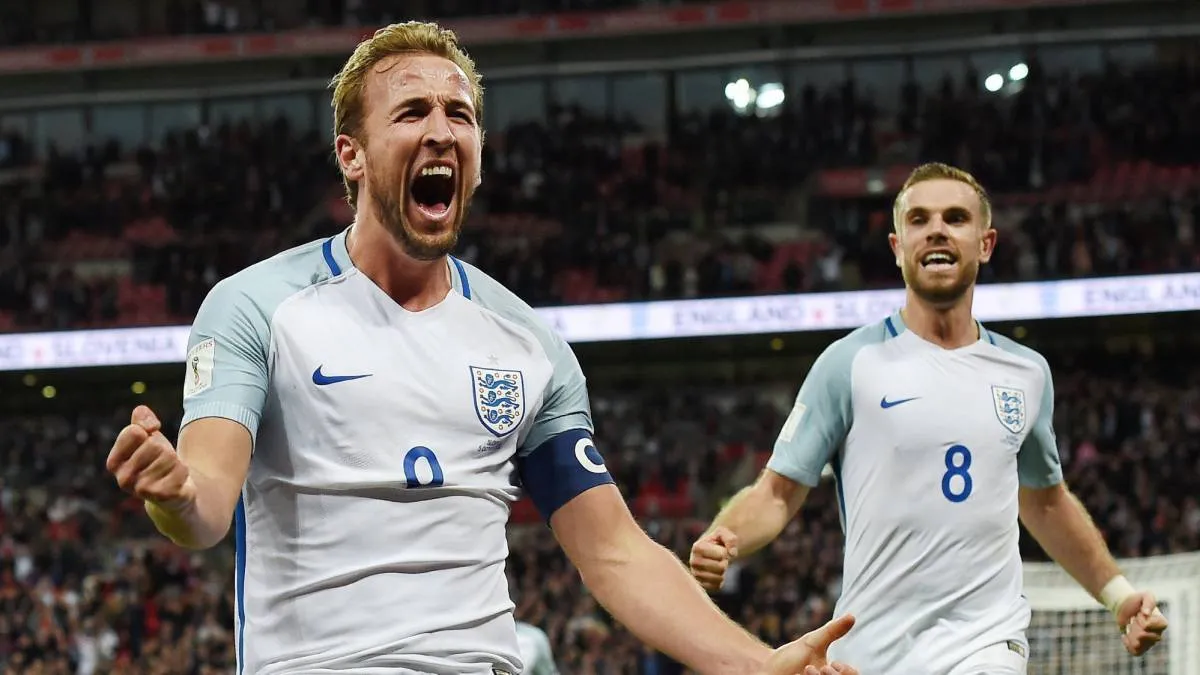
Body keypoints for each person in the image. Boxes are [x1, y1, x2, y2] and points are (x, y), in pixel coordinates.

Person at [104, 20, 861, 675]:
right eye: (412, 111)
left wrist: (756, 662)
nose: (441, 130)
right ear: (351, 154)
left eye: (459, 114)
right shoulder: (257, 306)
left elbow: (615, 552)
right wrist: (174, 494)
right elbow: (206, 503)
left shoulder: (529, 344)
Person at [688, 162, 1169, 675]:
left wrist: (1119, 595)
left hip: (986, 644)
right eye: (919, 219)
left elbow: (1046, 502)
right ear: (898, 248)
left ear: (986, 244)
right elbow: (777, 493)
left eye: (955, 218)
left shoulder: (1027, 373)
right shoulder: (849, 364)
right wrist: (723, 536)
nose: (937, 229)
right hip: (869, 650)